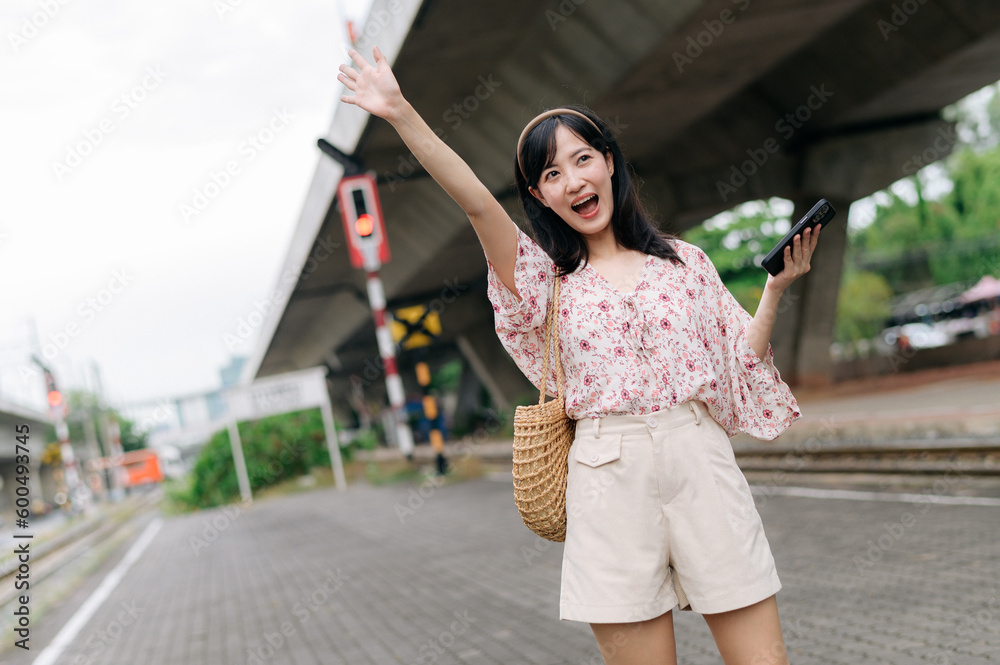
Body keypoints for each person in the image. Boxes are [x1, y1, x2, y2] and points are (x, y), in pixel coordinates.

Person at [339, 46, 821, 665]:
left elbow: (738, 366)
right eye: (551, 175)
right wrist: (402, 113)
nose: (573, 181)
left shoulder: (683, 262)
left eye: (582, 159)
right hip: (606, 475)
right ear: (540, 197)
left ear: (611, 164)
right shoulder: (545, 284)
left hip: (699, 458)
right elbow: (477, 204)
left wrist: (775, 291)